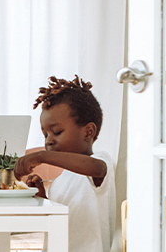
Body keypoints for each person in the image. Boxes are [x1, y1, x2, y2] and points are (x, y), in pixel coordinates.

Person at [14, 75, 121, 252]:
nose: (49, 141)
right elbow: (57, 222)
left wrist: (41, 157)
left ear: (88, 132)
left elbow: (96, 168)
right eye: (45, 134)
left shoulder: (100, 162)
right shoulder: (61, 181)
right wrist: (42, 198)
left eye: (57, 132)